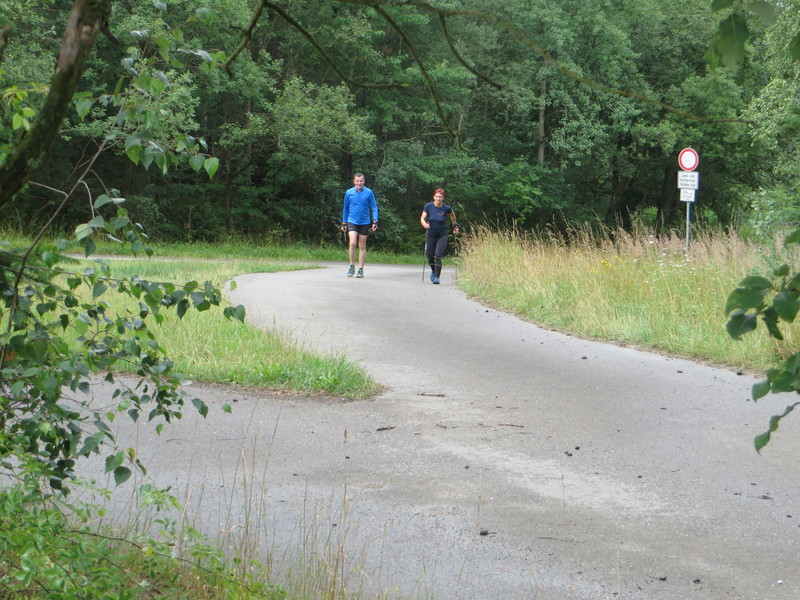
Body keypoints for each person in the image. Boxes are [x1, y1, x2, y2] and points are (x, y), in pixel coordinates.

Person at [341, 173, 379, 278]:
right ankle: (351, 266)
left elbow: (374, 207)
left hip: (364, 222)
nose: (359, 183)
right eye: (357, 181)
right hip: (352, 221)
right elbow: (346, 208)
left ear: (364, 181)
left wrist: (375, 221)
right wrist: (344, 222)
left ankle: (361, 269)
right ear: (354, 181)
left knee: (362, 245)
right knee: (352, 242)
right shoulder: (349, 192)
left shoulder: (369, 192)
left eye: (361, 181)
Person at [420, 188, 458, 284]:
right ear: (433, 197)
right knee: (430, 256)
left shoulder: (446, 208)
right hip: (431, 234)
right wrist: (424, 224)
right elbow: (422, 218)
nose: (438, 199)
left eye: (440, 197)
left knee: (438, 255)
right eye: (437, 196)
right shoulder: (428, 206)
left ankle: (437, 277)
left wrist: (455, 225)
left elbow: (453, 215)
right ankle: (433, 271)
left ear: (443, 198)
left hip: (442, 235)